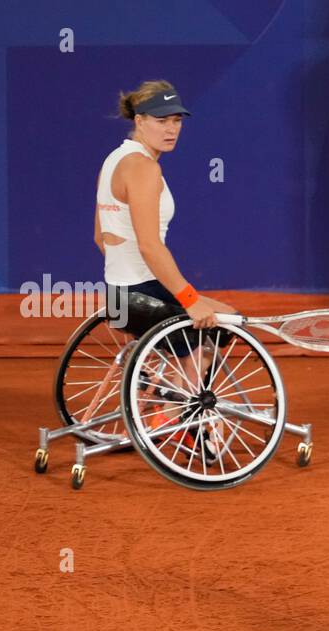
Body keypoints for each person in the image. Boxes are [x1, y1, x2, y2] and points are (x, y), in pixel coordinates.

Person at [93, 79, 236, 456]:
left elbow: (100, 236)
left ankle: (158, 401)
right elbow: (150, 246)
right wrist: (188, 299)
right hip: (140, 294)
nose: (171, 129)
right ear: (140, 120)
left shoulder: (114, 160)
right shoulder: (143, 169)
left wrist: (130, 281)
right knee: (222, 325)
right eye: (161, 120)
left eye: (177, 120)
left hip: (118, 297)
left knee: (225, 315)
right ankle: (175, 417)